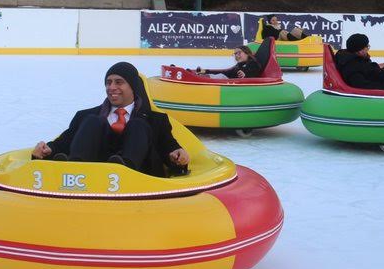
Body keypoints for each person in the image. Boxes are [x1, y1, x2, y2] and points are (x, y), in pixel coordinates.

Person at [31, 62, 190, 176]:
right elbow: (64, 142)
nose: (111, 87)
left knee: (137, 125)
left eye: (119, 82)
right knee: (94, 121)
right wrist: (48, 149)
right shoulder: (85, 116)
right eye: (108, 82)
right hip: (89, 177)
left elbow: (169, 149)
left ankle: (125, 167)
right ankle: (75, 168)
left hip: (139, 179)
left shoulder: (156, 120)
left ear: (133, 87)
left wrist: (178, 156)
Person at [195, 46, 262, 79]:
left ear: (247, 53)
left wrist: (245, 75)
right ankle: (197, 76)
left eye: (239, 53)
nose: (237, 55)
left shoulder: (252, 63)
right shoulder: (240, 64)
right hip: (226, 80)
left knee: (218, 76)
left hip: (229, 84)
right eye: (235, 54)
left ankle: (196, 77)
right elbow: (226, 71)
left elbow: (254, 72)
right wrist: (206, 71)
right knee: (218, 76)